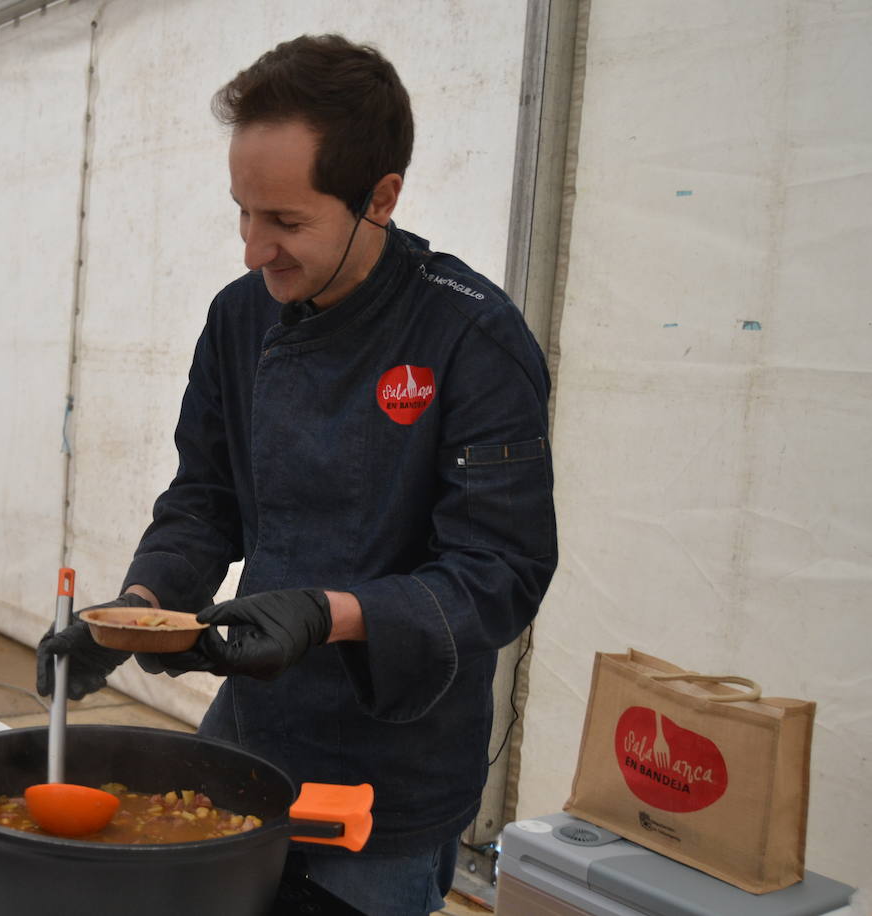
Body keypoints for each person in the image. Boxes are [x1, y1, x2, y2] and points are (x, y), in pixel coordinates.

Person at [38, 34, 556, 916]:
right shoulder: (242, 318)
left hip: (393, 765)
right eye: (242, 211)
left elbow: (500, 576)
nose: (253, 250)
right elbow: (205, 500)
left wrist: (329, 614)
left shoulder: (470, 336)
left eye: (285, 221)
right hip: (253, 728)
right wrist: (137, 607)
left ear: (380, 198)